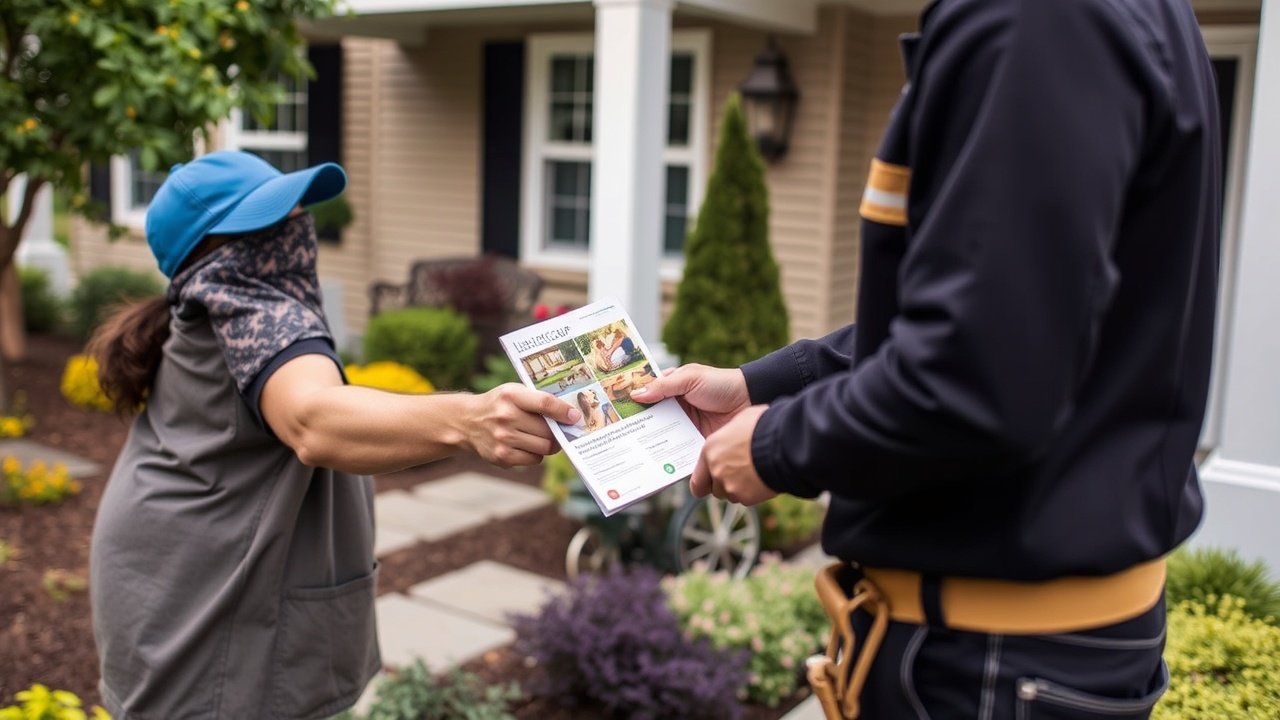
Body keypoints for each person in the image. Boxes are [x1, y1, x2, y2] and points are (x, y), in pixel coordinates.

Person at [633, 0, 1220, 717]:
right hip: (1026, 647)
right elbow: (1000, 314)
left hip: (990, 664)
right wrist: (764, 383)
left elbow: (977, 375)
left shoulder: (1035, 18)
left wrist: (775, 444)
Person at [88, 151, 578, 720]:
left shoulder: (205, 308)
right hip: (207, 609)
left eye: (294, 206)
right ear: (212, 253)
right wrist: (466, 420)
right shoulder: (250, 308)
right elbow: (313, 420)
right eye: (271, 218)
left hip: (165, 575)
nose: (297, 223)